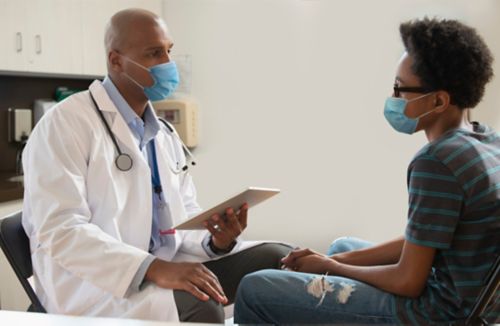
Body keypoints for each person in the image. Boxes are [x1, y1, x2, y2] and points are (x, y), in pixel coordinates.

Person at [21, 8, 291, 323]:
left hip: (165, 264)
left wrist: (215, 241)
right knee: (198, 302)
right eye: (154, 53)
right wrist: (152, 267)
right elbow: (60, 230)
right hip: (97, 287)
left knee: (278, 259)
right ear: (116, 60)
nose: (167, 63)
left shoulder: (161, 132)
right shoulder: (65, 124)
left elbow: (182, 215)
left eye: (168, 51)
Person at [234, 17, 499, 324]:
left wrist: (330, 268)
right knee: (342, 246)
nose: (393, 98)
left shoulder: (437, 161)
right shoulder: (487, 141)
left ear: (439, 100)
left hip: (437, 313)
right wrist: (333, 258)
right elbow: (427, 239)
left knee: (255, 288)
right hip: (476, 302)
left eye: (400, 89)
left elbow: (408, 282)